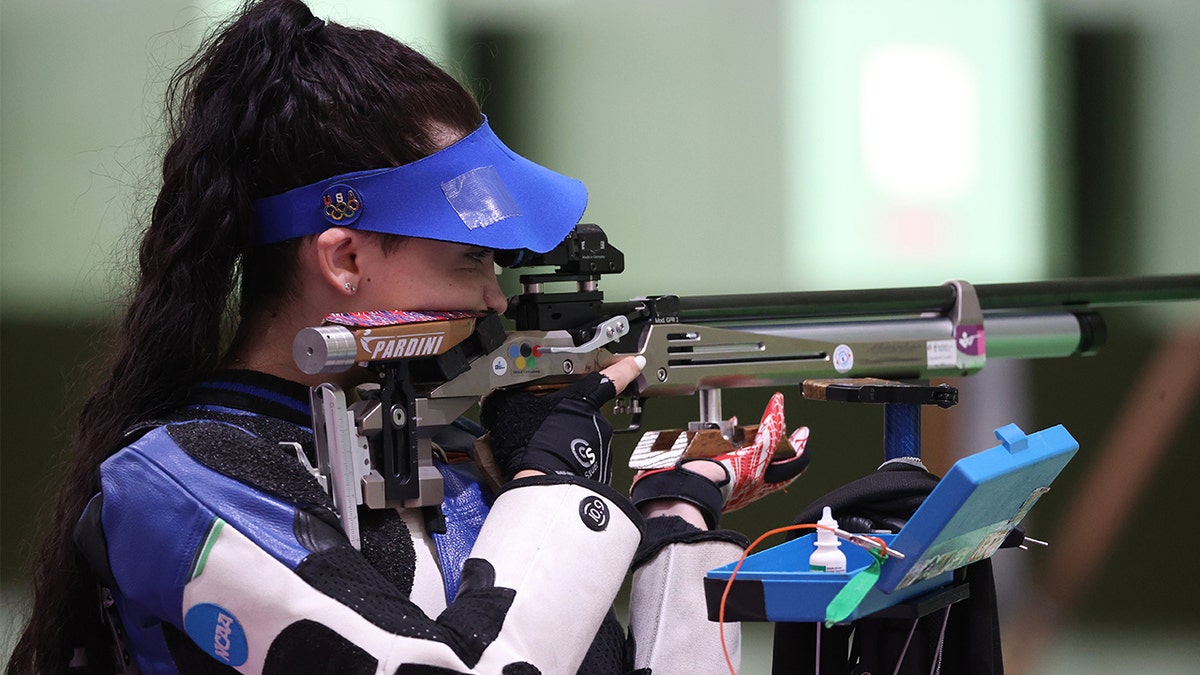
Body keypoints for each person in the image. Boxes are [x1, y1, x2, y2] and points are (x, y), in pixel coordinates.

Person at [6, 1, 809, 673]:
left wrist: (677, 524)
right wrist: (557, 494)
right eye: (468, 260)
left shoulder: (457, 462)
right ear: (347, 257)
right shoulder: (180, 488)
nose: (494, 294)